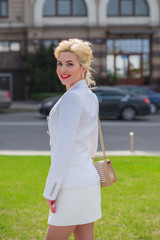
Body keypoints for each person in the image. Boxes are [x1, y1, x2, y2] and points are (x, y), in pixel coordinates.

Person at [43, 38, 101, 240]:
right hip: (89, 182)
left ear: (83, 68)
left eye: (70, 64)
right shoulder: (90, 97)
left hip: (70, 186)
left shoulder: (72, 99)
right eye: (60, 63)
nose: (62, 69)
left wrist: (51, 190)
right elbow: (92, 144)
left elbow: (63, 150)